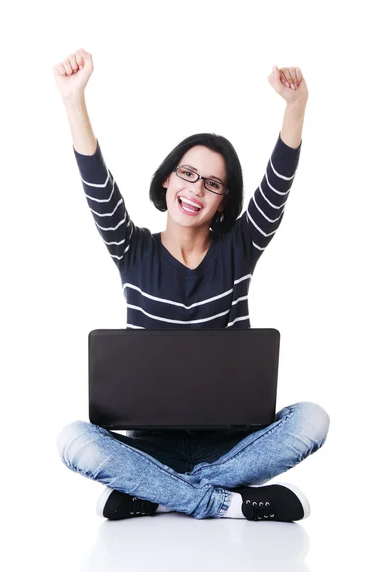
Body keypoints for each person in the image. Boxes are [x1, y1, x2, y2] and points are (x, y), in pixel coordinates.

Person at [53, 48, 330, 523]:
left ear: (223, 202)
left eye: (212, 184)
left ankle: (158, 497)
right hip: (149, 447)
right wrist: (74, 99)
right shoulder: (131, 249)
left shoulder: (239, 249)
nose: (195, 190)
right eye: (187, 174)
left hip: (229, 444)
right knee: (74, 440)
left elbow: (276, 185)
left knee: (313, 420)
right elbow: (97, 184)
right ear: (166, 181)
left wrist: (295, 105)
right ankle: (224, 502)